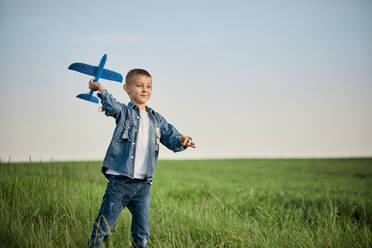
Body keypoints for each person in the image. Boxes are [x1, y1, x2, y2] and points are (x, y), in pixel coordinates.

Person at [87, 68, 196, 248]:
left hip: (143, 184)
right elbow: (111, 106)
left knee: (142, 233)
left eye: (149, 86)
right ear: (127, 89)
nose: (145, 90)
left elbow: (171, 135)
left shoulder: (156, 119)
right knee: (103, 226)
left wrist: (183, 140)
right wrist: (101, 89)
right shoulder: (124, 112)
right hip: (120, 181)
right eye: (139, 86)